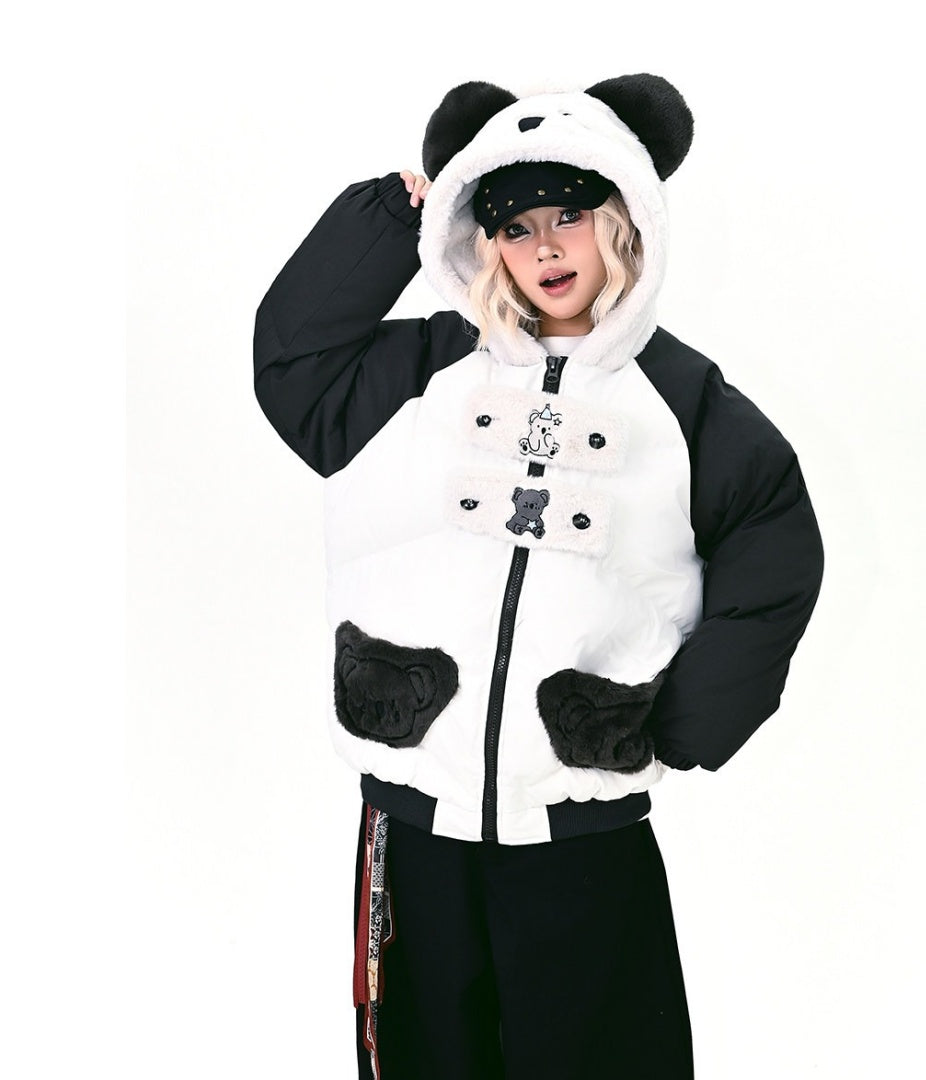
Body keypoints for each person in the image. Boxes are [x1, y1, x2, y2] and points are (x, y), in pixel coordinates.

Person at [253, 74, 824, 1080]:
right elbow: (294, 363)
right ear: (482, 242)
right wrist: (391, 215)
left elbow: (774, 546)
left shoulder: (683, 402)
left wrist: (692, 716)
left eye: (570, 216)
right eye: (516, 227)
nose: (547, 248)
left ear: (625, 220)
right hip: (415, 806)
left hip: (579, 818)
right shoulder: (418, 374)